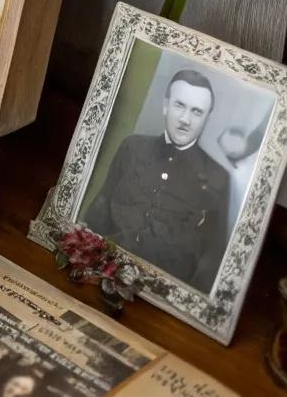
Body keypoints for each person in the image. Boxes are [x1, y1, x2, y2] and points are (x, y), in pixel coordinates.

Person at [83, 67, 230, 293]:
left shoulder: (218, 177)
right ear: (165, 105)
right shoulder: (132, 147)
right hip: (100, 273)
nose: (185, 119)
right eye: (179, 105)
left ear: (206, 118)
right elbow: (101, 207)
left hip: (161, 292)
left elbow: (210, 257)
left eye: (197, 111)